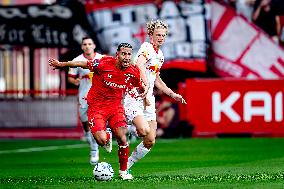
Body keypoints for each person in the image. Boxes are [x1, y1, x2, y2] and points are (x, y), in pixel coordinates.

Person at [49, 43, 142, 180]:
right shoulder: (104, 63)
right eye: (124, 53)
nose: (127, 57)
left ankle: (123, 172)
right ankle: (107, 136)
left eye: (129, 54)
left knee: (123, 137)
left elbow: (140, 85)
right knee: (101, 140)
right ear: (117, 54)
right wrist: (62, 64)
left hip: (116, 107)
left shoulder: (133, 72)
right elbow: (83, 63)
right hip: (96, 107)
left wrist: (143, 97)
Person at [123, 20, 187, 171]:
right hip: (136, 95)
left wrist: (172, 94)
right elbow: (138, 64)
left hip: (149, 98)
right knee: (143, 130)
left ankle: (127, 166)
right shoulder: (146, 47)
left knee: (150, 140)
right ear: (151, 35)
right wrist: (144, 82)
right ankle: (117, 125)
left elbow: (156, 79)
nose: (161, 38)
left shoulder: (160, 55)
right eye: (158, 35)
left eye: (163, 35)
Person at [68, 37, 104, 165]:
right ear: (82, 47)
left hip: (100, 98)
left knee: (96, 123)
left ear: (94, 45)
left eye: (90, 43)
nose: (87, 46)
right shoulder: (77, 61)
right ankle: (92, 141)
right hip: (84, 98)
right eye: (85, 44)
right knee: (86, 125)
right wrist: (75, 81)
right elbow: (70, 78)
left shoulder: (101, 59)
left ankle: (95, 150)